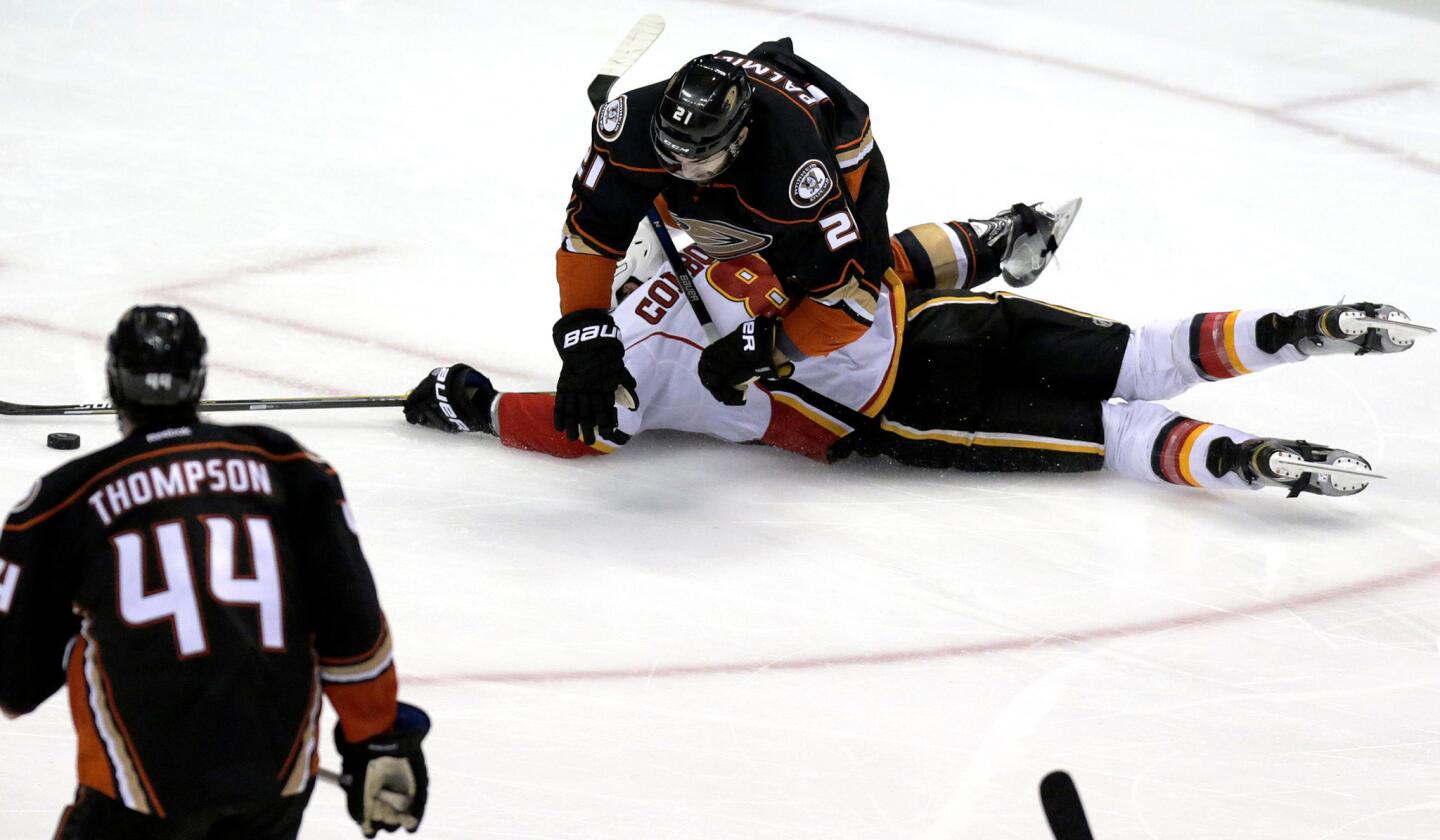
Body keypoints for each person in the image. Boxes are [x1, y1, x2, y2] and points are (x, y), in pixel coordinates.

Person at [408, 215, 1422, 497]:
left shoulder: (641, 353)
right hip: (949, 322)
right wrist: (989, 237)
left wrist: (479, 407)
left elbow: (592, 428)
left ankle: (1245, 462)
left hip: (899, 415)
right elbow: (892, 256)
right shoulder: (767, 231)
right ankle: (1293, 329)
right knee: (1143, 353)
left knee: (1117, 433)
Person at [0, 306, 429, 839]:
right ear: (199, 378)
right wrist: (376, 740)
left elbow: (13, 683)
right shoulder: (288, 467)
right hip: (273, 786)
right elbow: (352, 626)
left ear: (114, 381)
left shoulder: (61, 503)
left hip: (138, 798)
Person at [551, 36, 1074, 445]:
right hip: (750, 123)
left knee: (856, 276)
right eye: (668, 156)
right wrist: (582, 330)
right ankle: (997, 236)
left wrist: (769, 350)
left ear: (739, 138)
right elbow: (589, 234)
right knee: (692, 204)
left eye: (696, 162)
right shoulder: (631, 126)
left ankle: (1001, 239)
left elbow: (846, 303)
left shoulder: (799, 179)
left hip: (839, 146)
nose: (679, 171)